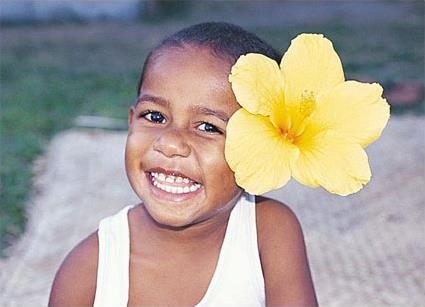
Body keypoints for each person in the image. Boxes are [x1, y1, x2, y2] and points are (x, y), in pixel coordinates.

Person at [48, 22, 318, 307]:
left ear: (262, 149)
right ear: (130, 123)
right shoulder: (90, 272)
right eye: (154, 117)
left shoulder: (269, 230)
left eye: (208, 127)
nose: (171, 143)